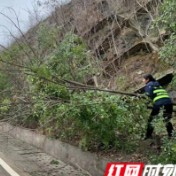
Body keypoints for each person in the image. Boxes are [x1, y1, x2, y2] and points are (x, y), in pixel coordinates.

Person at [143, 74, 174, 140]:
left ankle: (148, 136)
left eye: (143, 79)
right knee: (166, 119)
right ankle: (171, 135)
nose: (143, 81)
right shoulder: (158, 85)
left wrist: (145, 104)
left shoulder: (149, 85)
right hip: (169, 103)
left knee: (151, 120)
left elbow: (148, 96)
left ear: (147, 79)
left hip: (159, 104)